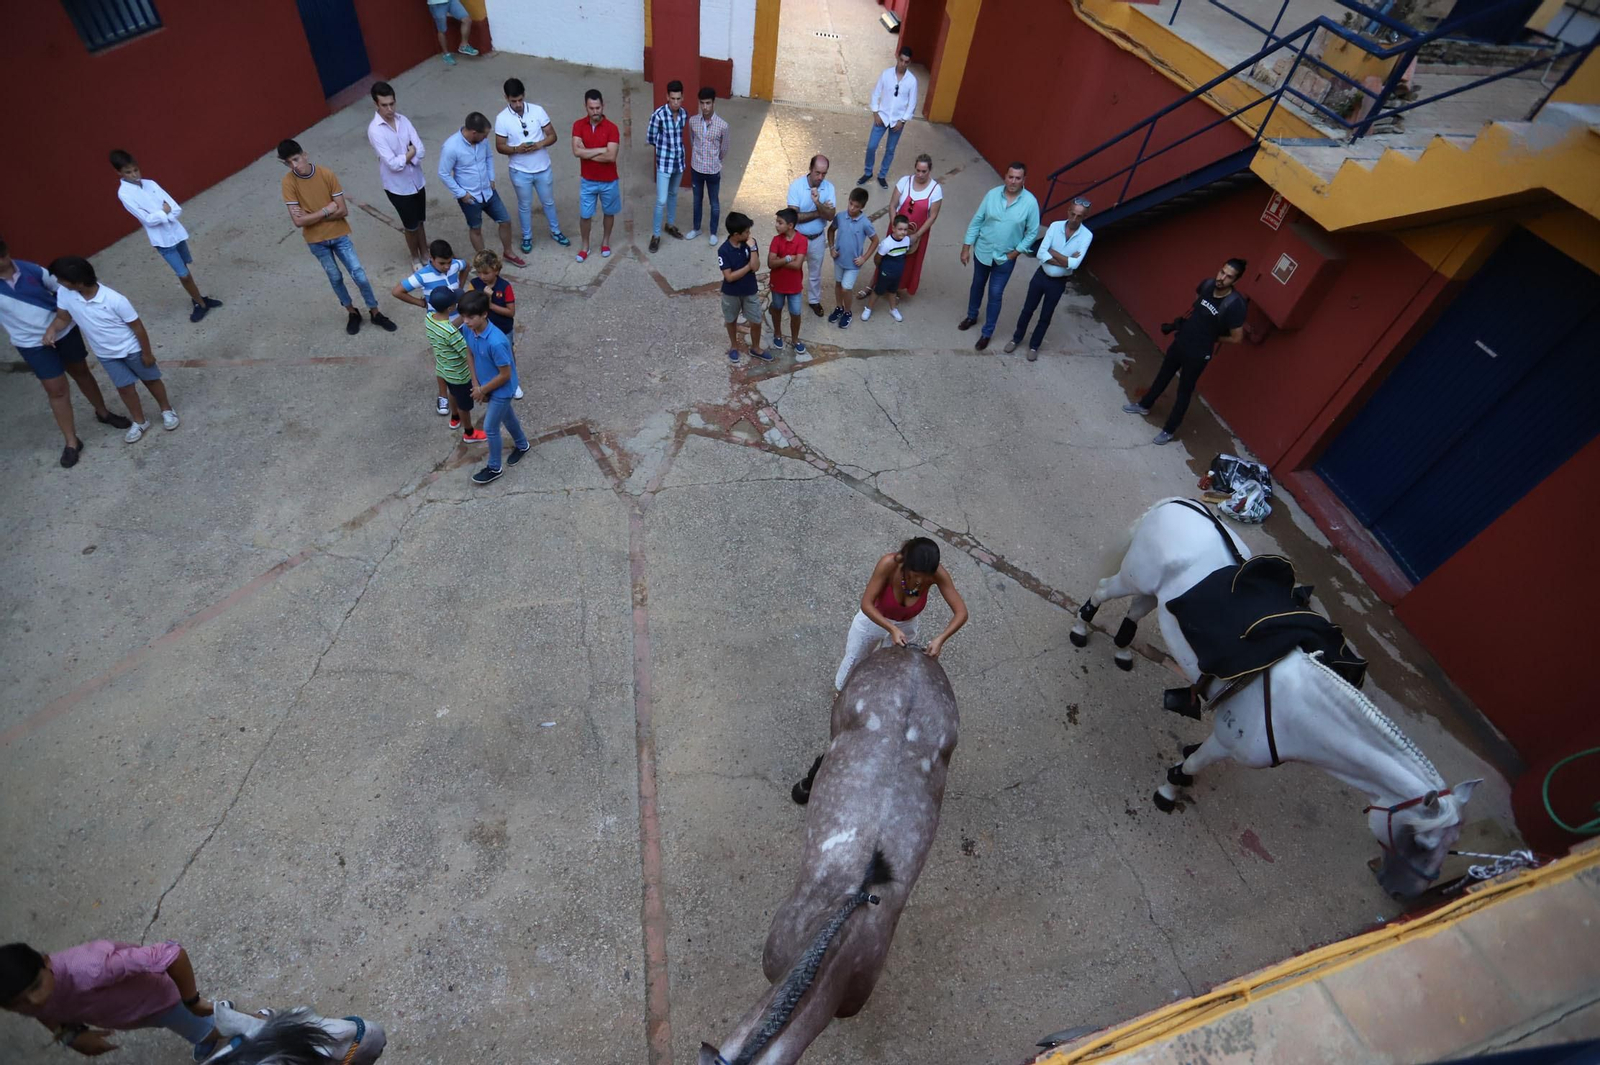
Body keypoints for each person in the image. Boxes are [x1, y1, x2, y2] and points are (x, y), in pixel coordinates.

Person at [0, 238, 131, 468]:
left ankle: (103, 413)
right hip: (31, 344)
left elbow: (64, 290)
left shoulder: (32, 270)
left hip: (65, 333)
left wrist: (64, 321)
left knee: (81, 372)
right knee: (56, 390)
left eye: (2, 255)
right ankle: (71, 442)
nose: (3, 261)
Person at [1, 939, 218, 1060]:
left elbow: (173, 954)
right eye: (20, 1004)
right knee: (185, 1024)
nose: (36, 1001)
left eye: (36, 986)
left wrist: (192, 1001)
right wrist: (69, 1036)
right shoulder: (24, 997)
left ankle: (228, 1033)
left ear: (46, 961)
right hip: (134, 1012)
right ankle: (212, 1025)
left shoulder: (94, 968)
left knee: (201, 1027)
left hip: (160, 1001)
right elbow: (42, 1012)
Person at [45, 256, 177, 444]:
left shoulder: (115, 300)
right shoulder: (65, 294)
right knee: (124, 389)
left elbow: (137, 327)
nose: (59, 282)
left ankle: (166, 410)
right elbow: (63, 318)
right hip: (106, 355)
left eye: (62, 279)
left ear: (79, 283)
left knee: (151, 380)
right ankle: (140, 421)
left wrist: (147, 353)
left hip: (132, 350)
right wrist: (52, 329)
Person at [278, 139, 398, 336]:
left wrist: (310, 216)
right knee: (335, 277)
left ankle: (375, 311)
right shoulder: (288, 182)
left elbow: (342, 210)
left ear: (305, 155)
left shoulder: (326, 174)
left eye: (296, 159)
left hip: (339, 235)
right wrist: (326, 210)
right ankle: (352, 312)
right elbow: (298, 222)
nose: (294, 166)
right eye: (288, 163)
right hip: (316, 241)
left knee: (359, 274)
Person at [1123, 258, 1249, 444]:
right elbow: (1197, 302)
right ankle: (1144, 405)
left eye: (1228, 276)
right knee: (1163, 375)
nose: (1222, 278)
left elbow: (1237, 338)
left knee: (1184, 391)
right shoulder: (1207, 284)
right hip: (1182, 341)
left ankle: (1169, 430)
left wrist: (1212, 337)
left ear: (1235, 281)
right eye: (1222, 272)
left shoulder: (1235, 305)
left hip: (1198, 354)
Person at [833, 537, 968, 693]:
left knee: (890, 665)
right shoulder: (888, 564)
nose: (921, 580)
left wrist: (940, 639)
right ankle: (841, 692)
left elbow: (961, 612)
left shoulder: (937, 573)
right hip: (874, 619)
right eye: (916, 574)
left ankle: (874, 693)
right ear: (906, 564)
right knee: (855, 658)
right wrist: (892, 629)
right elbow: (866, 604)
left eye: (926, 576)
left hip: (906, 624)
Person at [109, 150, 223, 323]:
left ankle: (198, 297)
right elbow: (147, 220)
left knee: (185, 266)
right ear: (119, 173)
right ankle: (200, 303)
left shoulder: (150, 184)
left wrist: (163, 213)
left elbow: (175, 207)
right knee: (183, 274)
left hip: (176, 233)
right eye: (128, 172)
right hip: (162, 240)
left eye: (135, 170)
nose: (134, 175)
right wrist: (164, 211)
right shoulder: (124, 194)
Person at [959, 162, 1039, 350]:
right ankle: (972, 316)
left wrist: (1015, 252)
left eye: (1018, 178)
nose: (1013, 181)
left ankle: (987, 333)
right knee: (977, 285)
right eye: (1010, 177)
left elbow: (1032, 232)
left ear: (1024, 180)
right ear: (1005, 176)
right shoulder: (992, 194)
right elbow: (977, 221)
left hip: (1005, 258)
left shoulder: (1030, 202)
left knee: (995, 294)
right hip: (983, 251)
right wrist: (966, 247)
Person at [1007, 197, 1093, 361]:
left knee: (1046, 316)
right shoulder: (1055, 226)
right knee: (1027, 310)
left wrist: (1053, 253)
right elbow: (1040, 253)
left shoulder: (1086, 236)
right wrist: (1065, 260)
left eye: (1079, 216)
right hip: (1041, 276)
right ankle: (1016, 339)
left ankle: (1034, 346)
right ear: (1068, 211)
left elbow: (1075, 264)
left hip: (1058, 283)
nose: (1074, 219)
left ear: (1085, 217)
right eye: (1073, 214)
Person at [494, 78, 570, 253]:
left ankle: (555, 231)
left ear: (524, 95)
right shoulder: (502, 118)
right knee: (524, 205)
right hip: (520, 170)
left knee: (548, 202)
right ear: (506, 98)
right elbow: (500, 146)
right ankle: (527, 236)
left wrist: (539, 145)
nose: (518, 104)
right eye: (514, 101)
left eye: (520, 100)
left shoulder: (537, 111)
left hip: (542, 167)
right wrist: (516, 149)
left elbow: (552, 135)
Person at [461, 289, 529, 484]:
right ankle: (522, 445)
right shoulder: (469, 329)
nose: (465, 321)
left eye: (470, 317)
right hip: (486, 385)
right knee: (507, 417)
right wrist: (475, 383)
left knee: (490, 427)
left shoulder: (496, 342)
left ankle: (494, 467)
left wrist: (482, 390)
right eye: (464, 316)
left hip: (501, 390)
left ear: (484, 314)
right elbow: (470, 352)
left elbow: (505, 375)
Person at [392, 239, 467, 415]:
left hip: (462, 320)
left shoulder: (455, 265)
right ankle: (443, 396)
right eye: (442, 263)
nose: (447, 267)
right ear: (431, 259)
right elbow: (397, 291)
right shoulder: (422, 275)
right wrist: (420, 303)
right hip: (441, 326)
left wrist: (460, 286)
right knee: (443, 361)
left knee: (464, 354)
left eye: (449, 262)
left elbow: (467, 265)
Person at [439, 113, 526, 265]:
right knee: (476, 229)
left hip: (488, 191)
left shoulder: (482, 141)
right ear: (474, 133)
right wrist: (461, 194)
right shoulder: (451, 147)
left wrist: (491, 178)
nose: (486, 138)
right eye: (484, 135)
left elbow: (489, 157)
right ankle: (484, 261)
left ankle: (508, 252)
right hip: (470, 196)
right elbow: (443, 173)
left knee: (505, 221)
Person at [366, 81, 430, 269]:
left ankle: (425, 252)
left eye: (392, 103)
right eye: (384, 105)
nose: (390, 109)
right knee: (410, 225)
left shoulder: (404, 120)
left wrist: (409, 156)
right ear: (376, 105)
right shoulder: (375, 130)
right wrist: (410, 154)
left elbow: (421, 150)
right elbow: (393, 164)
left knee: (420, 220)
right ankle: (415, 257)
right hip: (398, 187)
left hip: (417, 181)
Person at [874, 153, 941, 299]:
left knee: (907, 262)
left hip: (916, 234)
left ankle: (895, 288)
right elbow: (892, 205)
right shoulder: (905, 181)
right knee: (886, 256)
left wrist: (917, 235)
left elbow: (933, 216)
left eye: (924, 171)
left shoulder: (935, 189)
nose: (920, 174)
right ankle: (875, 283)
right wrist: (894, 226)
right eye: (918, 170)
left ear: (930, 171)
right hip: (897, 229)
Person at [426, 287, 487, 444]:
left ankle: (454, 418)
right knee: (464, 406)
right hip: (460, 374)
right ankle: (469, 432)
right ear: (450, 308)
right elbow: (467, 353)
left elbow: (449, 327)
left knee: (452, 393)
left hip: (444, 368)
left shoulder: (430, 318)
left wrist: (462, 317)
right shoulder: (451, 334)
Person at [857, 46, 918, 190]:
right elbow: (876, 93)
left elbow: (912, 103)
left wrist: (903, 121)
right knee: (872, 146)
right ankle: (868, 172)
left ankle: (882, 175)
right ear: (897, 58)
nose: (903, 64)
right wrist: (875, 112)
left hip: (897, 121)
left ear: (909, 62)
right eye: (901, 60)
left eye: (906, 62)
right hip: (882, 117)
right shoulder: (886, 74)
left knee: (890, 149)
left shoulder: (912, 81)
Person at [571, 89, 621, 264]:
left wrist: (587, 152)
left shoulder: (612, 128)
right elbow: (576, 152)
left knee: (609, 212)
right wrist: (601, 149)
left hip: (609, 181)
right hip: (588, 180)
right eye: (591, 108)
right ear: (586, 107)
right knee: (585, 215)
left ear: (603, 106)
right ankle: (585, 246)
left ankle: (605, 242)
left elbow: (611, 156)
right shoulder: (578, 125)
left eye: (598, 107)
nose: (595, 111)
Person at [786, 155, 837, 317]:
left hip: (817, 238)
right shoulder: (797, 186)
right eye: (817, 173)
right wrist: (820, 210)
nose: (820, 177)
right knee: (794, 271)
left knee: (815, 273)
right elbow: (793, 217)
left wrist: (817, 203)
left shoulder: (829, 188)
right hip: (798, 237)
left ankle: (814, 301)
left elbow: (830, 216)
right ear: (810, 169)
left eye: (824, 174)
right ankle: (792, 297)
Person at [468, 249, 522, 399]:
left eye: (486, 273)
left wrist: (490, 305)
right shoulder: (474, 284)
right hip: (482, 329)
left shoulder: (505, 287)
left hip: (503, 329)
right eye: (479, 273)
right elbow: (470, 305)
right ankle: (491, 381)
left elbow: (510, 312)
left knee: (508, 355)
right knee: (484, 355)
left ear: (496, 270)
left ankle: (513, 382)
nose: (482, 277)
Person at [718, 212, 767, 364]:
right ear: (736, 234)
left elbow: (756, 266)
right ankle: (734, 346)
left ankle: (756, 347)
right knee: (731, 320)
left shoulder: (751, 244)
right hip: (731, 293)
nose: (749, 234)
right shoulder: (723, 250)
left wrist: (752, 250)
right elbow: (729, 277)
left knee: (756, 320)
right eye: (746, 232)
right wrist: (748, 267)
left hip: (749, 290)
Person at [646, 80, 688, 253]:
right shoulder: (659, 115)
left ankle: (670, 225)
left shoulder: (684, 114)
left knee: (673, 194)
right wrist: (664, 150)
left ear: (682, 98)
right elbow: (650, 137)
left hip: (679, 161)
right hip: (664, 162)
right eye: (672, 99)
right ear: (667, 97)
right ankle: (655, 235)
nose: (675, 102)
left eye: (678, 99)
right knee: (661, 199)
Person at [685, 86, 730, 246]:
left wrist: (715, 160)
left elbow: (724, 148)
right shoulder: (693, 121)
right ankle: (696, 228)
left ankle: (713, 232)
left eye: (708, 103)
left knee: (714, 202)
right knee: (697, 200)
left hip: (712, 170)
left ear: (713, 103)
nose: (705, 107)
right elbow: (692, 141)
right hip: (697, 168)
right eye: (702, 103)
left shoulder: (722, 125)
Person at [826, 187, 876, 330]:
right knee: (838, 284)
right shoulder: (840, 217)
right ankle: (839, 307)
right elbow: (831, 230)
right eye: (851, 204)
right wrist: (831, 248)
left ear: (862, 207)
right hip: (839, 260)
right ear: (848, 201)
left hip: (853, 264)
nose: (852, 208)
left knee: (846, 288)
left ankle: (847, 312)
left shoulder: (865, 223)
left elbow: (875, 241)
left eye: (856, 207)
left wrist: (864, 258)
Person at [767, 207, 809, 357]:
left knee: (795, 313)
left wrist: (779, 260)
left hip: (794, 285)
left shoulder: (802, 240)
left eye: (780, 222)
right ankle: (777, 333)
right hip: (778, 284)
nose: (776, 225)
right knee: (777, 308)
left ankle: (795, 339)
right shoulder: (776, 240)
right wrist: (788, 258)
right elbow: (770, 263)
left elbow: (798, 265)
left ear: (790, 225)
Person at [860, 214, 916, 324]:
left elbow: (908, 251)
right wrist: (881, 269)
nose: (903, 232)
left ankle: (893, 309)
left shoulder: (906, 241)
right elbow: (877, 258)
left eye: (905, 229)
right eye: (900, 229)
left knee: (893, 291)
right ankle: (868, 309)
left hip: (897, 273)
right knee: (877, 291)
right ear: (893, 228)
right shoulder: (886, 243)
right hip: (885, 273)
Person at [427, 0, 478, 65]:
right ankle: (446, 54)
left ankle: (464, 45)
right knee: (442, 30)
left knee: (467, 20)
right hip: (437, 4)